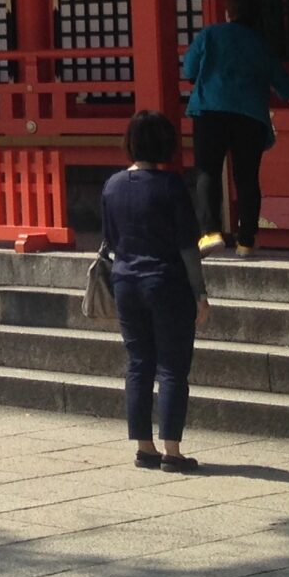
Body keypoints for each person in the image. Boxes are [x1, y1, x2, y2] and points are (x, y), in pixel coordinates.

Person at [100, 110, 210, 471]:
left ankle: (144, 447)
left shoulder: (112, 185)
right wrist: (200, 293)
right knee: (172, 367)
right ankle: (172, 451)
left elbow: (110, 239)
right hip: (166, 282)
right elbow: (187, 246)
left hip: (125, 281)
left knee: (138, 363)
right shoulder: (171, 186)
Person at [180, 0, 289, 257]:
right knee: (247, 177)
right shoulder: (260, 44)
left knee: (207, 171)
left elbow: (189, 69)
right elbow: (285, 86)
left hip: (211, 109)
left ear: (228, 13)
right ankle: (246, 240)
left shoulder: (210, 34)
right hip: (250, 115)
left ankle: (210, 232)